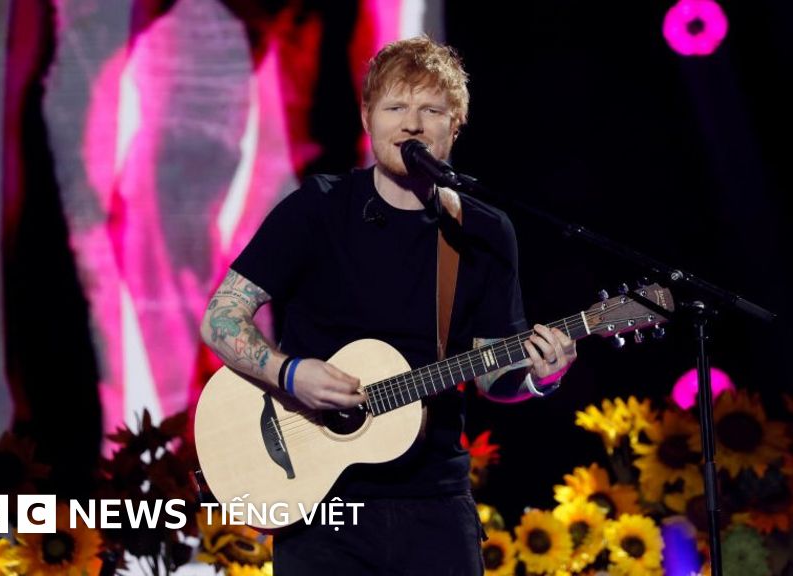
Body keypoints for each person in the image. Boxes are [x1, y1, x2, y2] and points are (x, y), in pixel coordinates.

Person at [200, 36, 578, 575]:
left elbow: (493, 374)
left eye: (431, 111)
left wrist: (540, 378)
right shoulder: (318, 208)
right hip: (322, 505)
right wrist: (291, 374)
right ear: (366, 118)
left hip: (435, 504)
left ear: (455, 126)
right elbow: (221, 318)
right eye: (395, 107)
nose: (412, 125)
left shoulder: (483, 231)